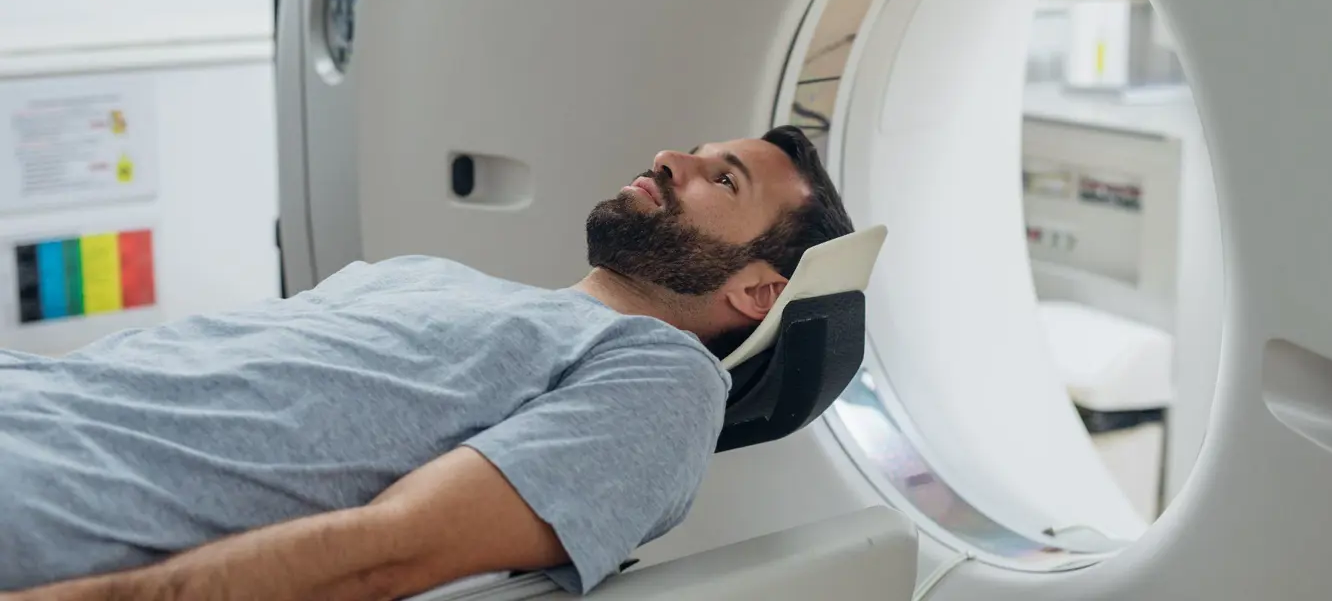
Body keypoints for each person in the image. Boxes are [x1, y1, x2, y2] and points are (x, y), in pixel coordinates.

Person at [0, 125, 853, 600]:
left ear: (756, 292)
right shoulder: (418, 275)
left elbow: (386, 553)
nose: (670, 157)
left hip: (38, 504)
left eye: (722, 180)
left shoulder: (663, 379)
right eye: (697, 151)